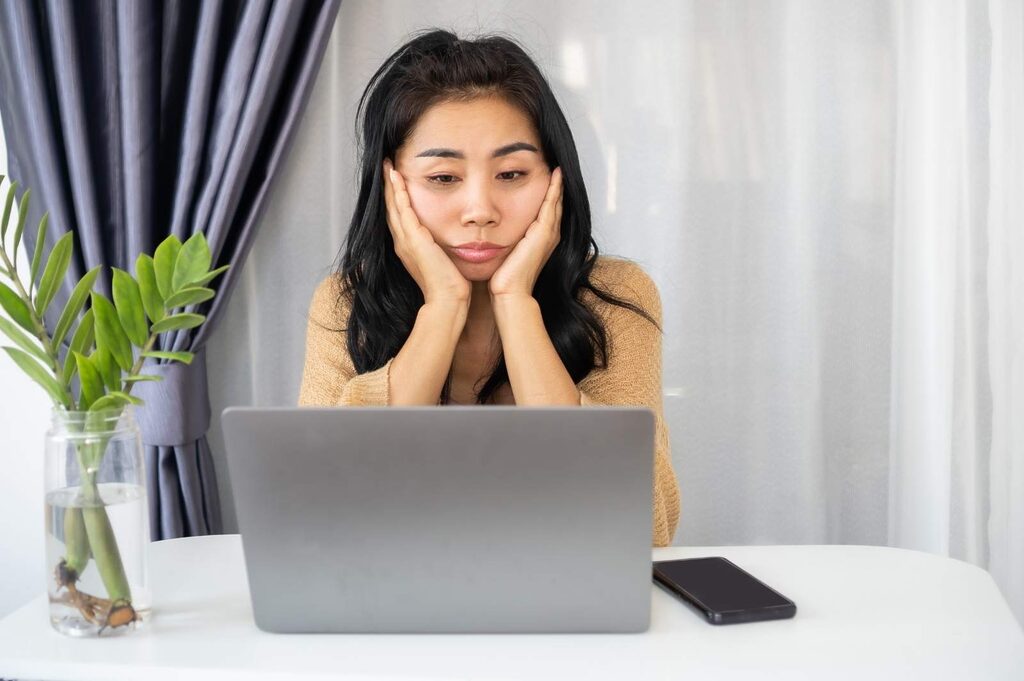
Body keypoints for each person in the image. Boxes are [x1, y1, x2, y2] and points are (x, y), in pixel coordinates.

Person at [298, 29, 680, 547]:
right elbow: (323, 513)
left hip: (563, 590)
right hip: (396, 588)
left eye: (512, 173)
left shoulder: (617, 296)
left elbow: (645, 526)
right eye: (443, 178)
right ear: (391, 184)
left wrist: (515, 302)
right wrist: (443, 306)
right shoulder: (345, 302)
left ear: (555, 178)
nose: (480, 211)